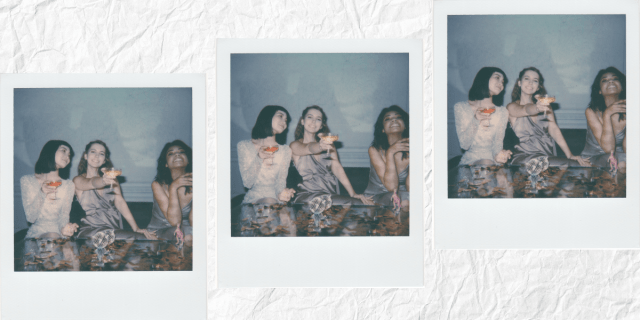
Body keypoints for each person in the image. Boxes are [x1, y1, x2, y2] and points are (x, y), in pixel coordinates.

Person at [73, 140, 157, 240]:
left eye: (101, 154)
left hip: (114, 230)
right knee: (139, 239)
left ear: (104, 160)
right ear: (85, 156)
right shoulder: (78, 180)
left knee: (146, 238)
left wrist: (136, 228)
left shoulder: (112, 178)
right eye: (93, 152)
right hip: (91, 232)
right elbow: (91, 183)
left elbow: (120, 202)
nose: (97, 156)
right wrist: (103, 181)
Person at [506, 67, 590, 166]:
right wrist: (537, 108)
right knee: (571, 165)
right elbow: (525, 109)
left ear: (538, 87)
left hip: (547, 156)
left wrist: (570, 155)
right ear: (519, 83)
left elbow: (554, 129)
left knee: (578, 165)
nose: (530, 83)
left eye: (535, 80)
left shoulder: (546, 105)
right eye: (527, 78)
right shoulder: (511, 107)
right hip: (524, 158)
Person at [289, 105, 373, 205]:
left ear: (321, 126)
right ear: (302, 121)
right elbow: (308, 148)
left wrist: (353, 193)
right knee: (354, 204)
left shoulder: (329, 144)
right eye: (310, 117)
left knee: (363, 203)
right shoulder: (295, 145)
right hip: (308, 197)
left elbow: (337, 168)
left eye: (318, 119)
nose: (313, 121)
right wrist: (320, 147)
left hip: (330, 195)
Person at [237, 105, 296, 204]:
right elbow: (248, 183)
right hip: (254, 200)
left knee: (272, 203)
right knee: (269, 202)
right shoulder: (244, 146)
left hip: (276, 199)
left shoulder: (285, 150)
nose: (284, 122)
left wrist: (283, 194)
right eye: (280, 116)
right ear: (267, 116)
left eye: (286, 120)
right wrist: (259, 158)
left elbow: (280, 183)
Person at [454, 67, 512, 166]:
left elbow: (497, 144)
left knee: (489, 164)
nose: (501, 83)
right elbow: (464, 145)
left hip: (493, 161)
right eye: (497, 77)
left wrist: (499, 156)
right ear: (484, 78)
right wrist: (476, 119)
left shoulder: (502, 112)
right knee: (486, 163)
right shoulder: (461, 107)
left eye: (503, 81)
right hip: (470, 162)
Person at [21, 140, 78, 239]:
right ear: (51, 151)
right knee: (52, 236)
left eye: (69, 155)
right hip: (37, 235)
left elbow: (64, 216)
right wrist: (42, 193)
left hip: (59, 233)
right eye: (63, 150)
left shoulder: (69, 185)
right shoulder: (27, 181)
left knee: (55, 237)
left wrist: (65, 229)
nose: (67, 156)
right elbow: (31, 218)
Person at [363, 105, 410, 208]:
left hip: (404, 196)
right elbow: (391, 187)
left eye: (398, 117)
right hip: (376, 197)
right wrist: (390, 153)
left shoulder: (413, 148)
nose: (393, 120)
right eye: (388, 119)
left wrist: (417, 156)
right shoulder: (374, 150)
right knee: (405, 201)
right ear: (382, 129)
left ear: (405, 125)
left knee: (412, 199)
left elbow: (411, 187)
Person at [148, 140, 194, 242]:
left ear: (188, 160)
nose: (177, 155)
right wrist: (173, 187)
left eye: (181, 152)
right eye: (171, 153)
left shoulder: (196, 182)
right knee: (185, 236)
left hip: (187, 230)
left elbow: (194, 222)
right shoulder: (157, 185)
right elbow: (175, 222)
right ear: (166, 164)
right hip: (160, 231)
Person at [581, 67, 626, 168]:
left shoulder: (629, 110)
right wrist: (607, 114)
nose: (610, 81)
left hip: (621, 158)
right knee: (621, 162)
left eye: (615, 79)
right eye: (605, 80)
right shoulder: (591, 111)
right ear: (599, 90)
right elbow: (608, 150)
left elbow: (628, 150)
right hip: (593, 158)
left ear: (622, 87)